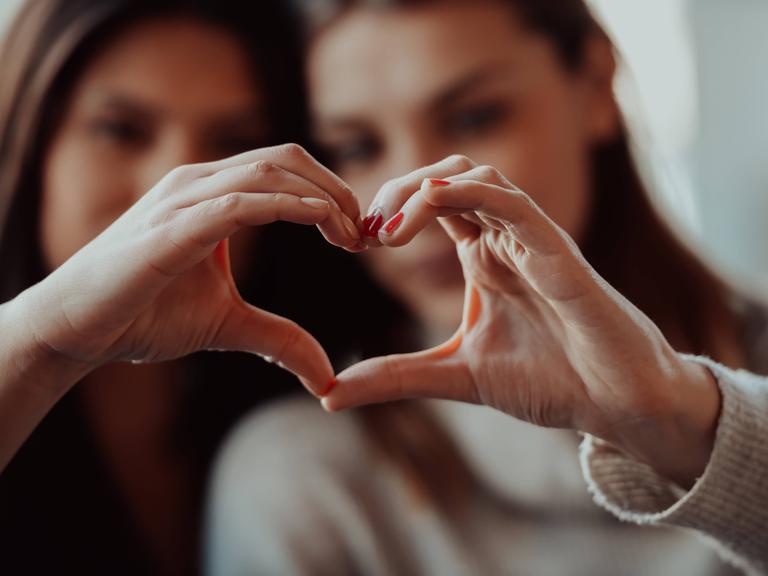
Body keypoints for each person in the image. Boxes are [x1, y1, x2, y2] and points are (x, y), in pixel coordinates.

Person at [206, 1, 761, 575]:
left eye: (474, 118)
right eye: (357, 148)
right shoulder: (299, 479)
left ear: (595, 85)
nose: (413, 196)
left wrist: (694, 429)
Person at [0, 0, 361, 573]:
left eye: (235, 141)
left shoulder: (316, 405)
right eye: (122, 130)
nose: (175, 184)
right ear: (29, 137)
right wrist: (41, 343)